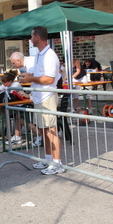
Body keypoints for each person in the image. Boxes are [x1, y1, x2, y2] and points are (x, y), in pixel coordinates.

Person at [19, 26, 64, 175]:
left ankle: (57, 164)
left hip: (47, 97)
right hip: (40, 97)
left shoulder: (50, 55)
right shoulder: (40, 54)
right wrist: (30, 75)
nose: (30, 39)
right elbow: (41, 75)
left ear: (37, 38)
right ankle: (48, 159)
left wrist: (30, 78)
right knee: (44, 131)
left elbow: (50, 78)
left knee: (51, 130)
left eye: (31, 37)